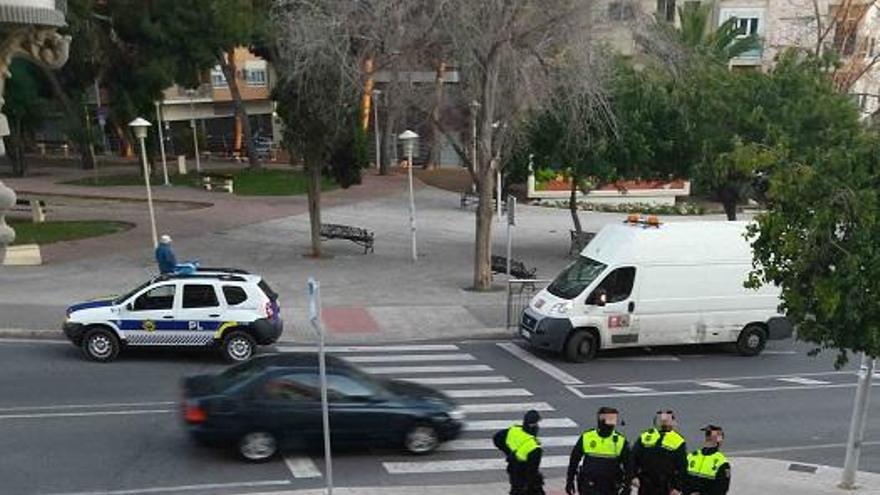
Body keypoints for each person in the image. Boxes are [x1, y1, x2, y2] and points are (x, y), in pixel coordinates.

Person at [566, 406, 630, 495]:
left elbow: (629, 467)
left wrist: (627, 487)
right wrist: (570, 480)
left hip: (610, 487)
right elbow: (574, 460)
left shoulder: (620, 441)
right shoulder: (587, 437)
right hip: (589, 486)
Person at [631, 410, 687, 495]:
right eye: (662, 419)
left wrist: (677, 487)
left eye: (667, 419)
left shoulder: (678, 441)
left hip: (665, 486)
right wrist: (633, 476)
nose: (664, 422)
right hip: (645, 483)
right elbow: (633, 457)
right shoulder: (645, 436)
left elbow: (682, 467)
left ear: (674, 422)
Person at [493, 409, 545, 495]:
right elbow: (532, 471)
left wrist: (509, 452)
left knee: (515, 490)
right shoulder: (534, 447)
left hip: (513, 470)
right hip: (524, 476)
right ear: (534, 425)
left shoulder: (514, 430)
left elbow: (497, 438)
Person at [681, 425, 730, 495]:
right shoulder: (692, 456)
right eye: (708, 434)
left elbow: (721, 489)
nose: (708, 437)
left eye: (709, 434)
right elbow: (682, 478)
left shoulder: (721, 462)